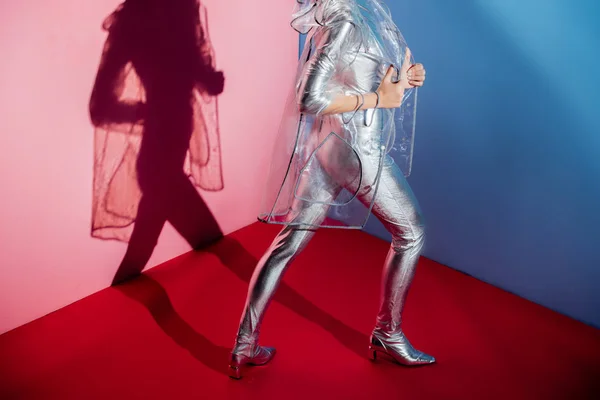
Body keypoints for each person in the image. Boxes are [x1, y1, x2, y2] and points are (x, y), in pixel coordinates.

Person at [229, 0, 432, 379]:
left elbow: (354, 77)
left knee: (288, 243)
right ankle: (388, 333)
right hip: (357, 151)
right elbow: (309, 99)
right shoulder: (346, 20)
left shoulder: (364, 13)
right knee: (412, 233)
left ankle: (244, 344)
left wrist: (404, 80)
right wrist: (378, 99)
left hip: (326, 148)